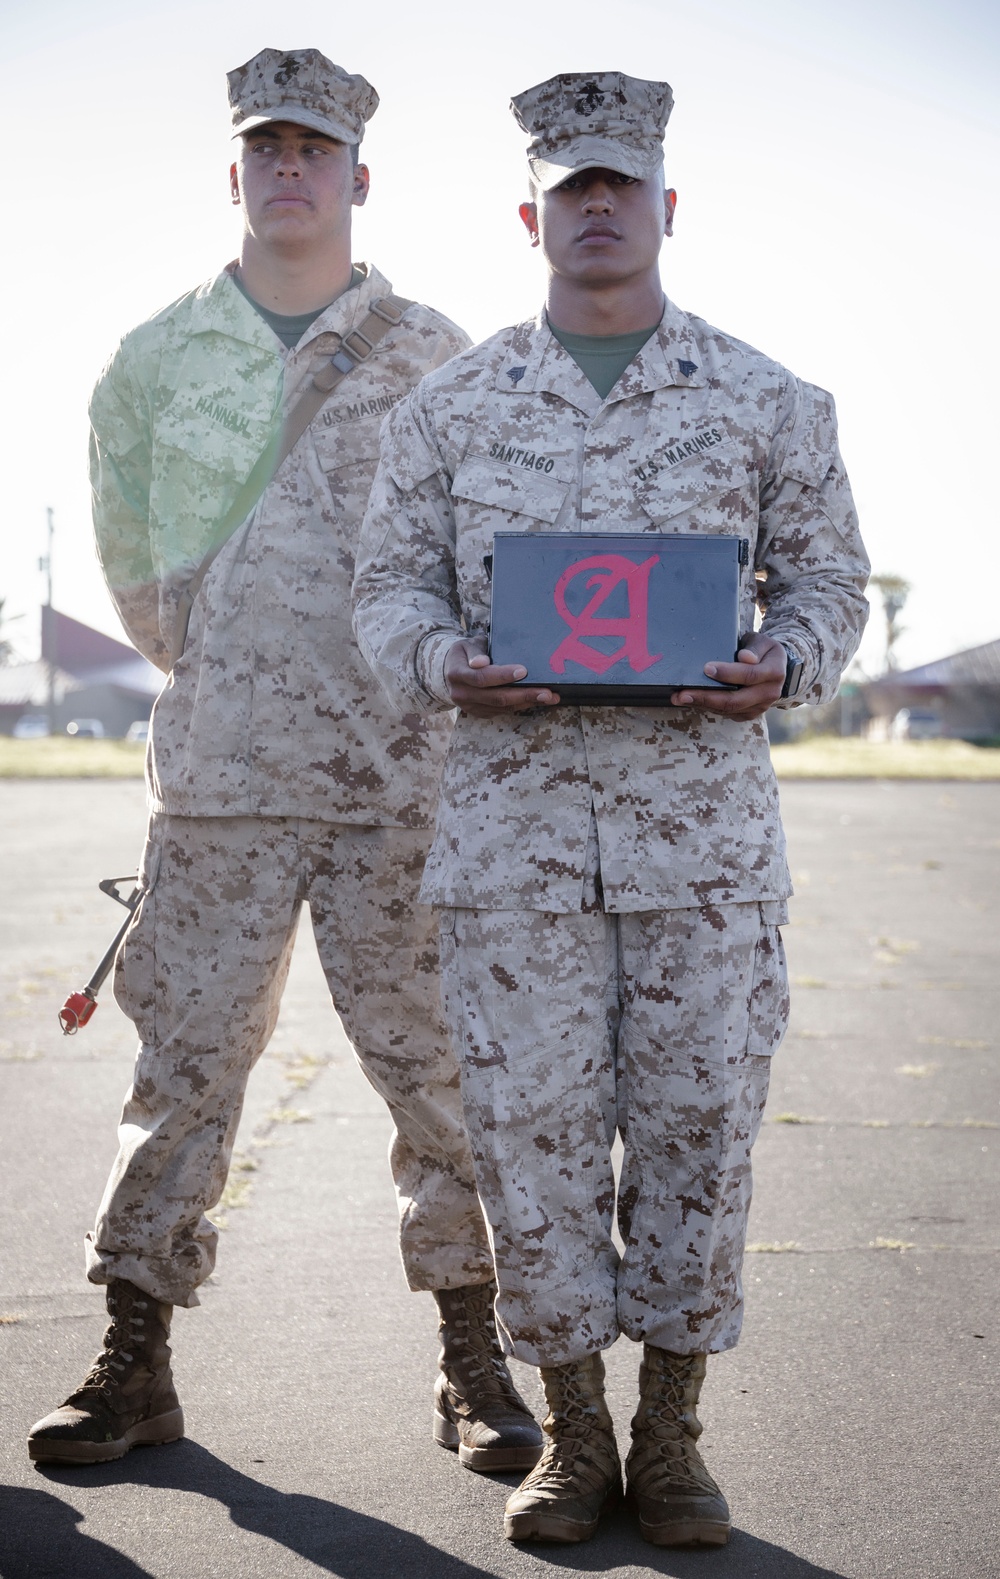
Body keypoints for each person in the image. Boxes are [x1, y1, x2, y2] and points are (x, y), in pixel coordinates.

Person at [352, 70, 869, 1547]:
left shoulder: (770, 401)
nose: (594, 207)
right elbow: (389, 588)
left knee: (703, 1132)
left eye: (617, 186)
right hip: (513, 853)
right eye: (569, 187)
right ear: (531, 216)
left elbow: (827, 584)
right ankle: (573, 1438)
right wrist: (446, 660)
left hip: (704, 852)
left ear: (663, 208)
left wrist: (790, 662)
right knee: (532, 1140)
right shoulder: (448, 414)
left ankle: (676, 1434)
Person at [27, 47, 542, 1477]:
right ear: (236, 173)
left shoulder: (438, 353)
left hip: (402, 784)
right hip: (224, 784)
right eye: (270, 147)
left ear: (359, 178)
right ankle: (133, 1363)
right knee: (180, 1075)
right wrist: (216, 648)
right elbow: (128, 553)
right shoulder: (153, 356)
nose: (293, 168)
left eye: (317, 149)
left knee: (438, 1080)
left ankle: (473, 1362)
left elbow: (489, 550)